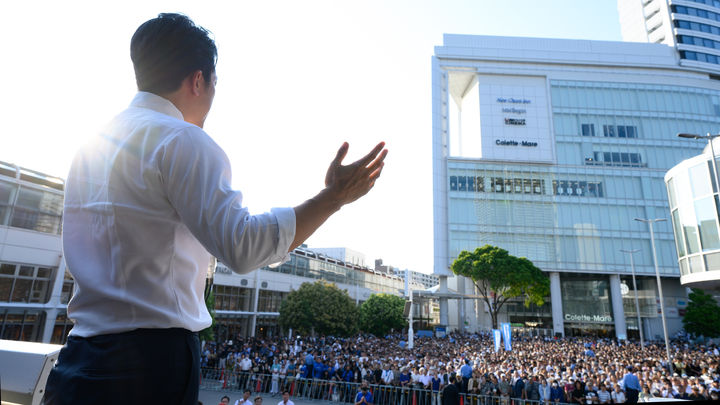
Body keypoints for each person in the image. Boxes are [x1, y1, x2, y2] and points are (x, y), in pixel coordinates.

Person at [41, 12, 387, 405]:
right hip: (149, 366)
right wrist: (333, 199)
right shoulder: (183, 140)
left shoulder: (90, 146)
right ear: (198, 80)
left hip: (78, 359)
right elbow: (242, 247)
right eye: (215, 83)